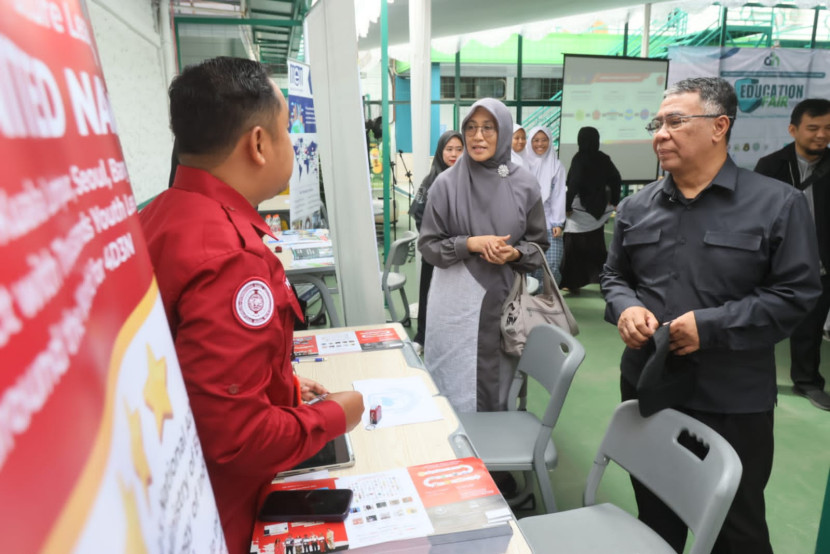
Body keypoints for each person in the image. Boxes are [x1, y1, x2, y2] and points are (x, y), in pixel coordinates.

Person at [139, 57, 364, 554]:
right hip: (224, 515)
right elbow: (237, 439)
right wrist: (335, 416)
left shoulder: (156, 216)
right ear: (259, 144)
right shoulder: (231, 258)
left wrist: (275, 382)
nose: (291, 143)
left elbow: (198, 371)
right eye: (287, 130)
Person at [601, 77, 821, 554]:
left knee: (733, 526)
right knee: (657, 516)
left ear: (720, 126)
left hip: (732, 398)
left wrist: (712, 326)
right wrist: (626, 307)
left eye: (675, 121)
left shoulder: (775, 204)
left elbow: (797, 292)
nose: (660, 133)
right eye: (657, 123)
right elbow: (614, 276)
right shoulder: (637, 207)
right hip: (649, 386)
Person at [418, 98, 549, 413]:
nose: (478, 136)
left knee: (497, 376)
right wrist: (471, 244)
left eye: (488, 128)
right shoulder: (446, 184)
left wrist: (514, 252)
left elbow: (538, 246)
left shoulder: (524, 185)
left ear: (502, 132)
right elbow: (428, 245)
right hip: (453, 304)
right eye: (471, 128)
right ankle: (452, 446)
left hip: (501, 302)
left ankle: (494, 453)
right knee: (453, 375)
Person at [753, 98, 830, 411]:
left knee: (810, 327)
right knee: (760, 323)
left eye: (827, 128)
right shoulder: (771, 166)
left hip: (821, 263)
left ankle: (808, 381)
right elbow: (756, 214)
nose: (821, 135)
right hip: (777, 261)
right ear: (793, 129)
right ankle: (753, 380)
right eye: (813, 128)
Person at [409, 130, 464, 353]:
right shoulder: (430, 180)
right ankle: (422, 337)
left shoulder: (470, 180)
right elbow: (418, 212)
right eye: (449, 149)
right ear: (441, 152)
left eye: (459, 149)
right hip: (435, 250)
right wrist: (436, 238)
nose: (454, 154)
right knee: (428, 295)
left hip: (461, 252)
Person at [560, 126, 621, 293]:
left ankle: (571, 283)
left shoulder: (579, 159)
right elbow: (616, 178)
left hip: (580, 210)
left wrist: (566, 207)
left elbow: (573, 185)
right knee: (597, 249)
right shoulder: (603, 158)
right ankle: (605, 282)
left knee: (572, 250)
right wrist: (614, 201)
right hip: (599, 209)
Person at [525, 126, 567, 283]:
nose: (540, 144)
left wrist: (558, 222)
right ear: (530, 142)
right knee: (527, 265)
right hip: (526, 224)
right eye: (535, 140)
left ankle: (546, 301)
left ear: (550, 141)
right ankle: (527, 302)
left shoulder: (557, 166)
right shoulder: (523, 163)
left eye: (544, 140)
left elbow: (558, 195)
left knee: (552, 265)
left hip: (549, 223)